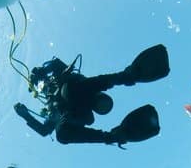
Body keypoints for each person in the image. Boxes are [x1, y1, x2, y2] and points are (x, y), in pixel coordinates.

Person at [13, 44, 170, 146]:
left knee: (64, 130)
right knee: (84, 88)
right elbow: (104, 81)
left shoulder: (79, 110)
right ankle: (129, 76)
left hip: (66, 107)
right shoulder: (82, 89)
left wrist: (25, 115)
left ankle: (129, 76)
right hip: (68, 97)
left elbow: (47, 131)